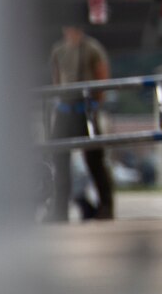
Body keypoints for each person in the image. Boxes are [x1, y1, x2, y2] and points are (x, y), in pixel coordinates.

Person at [46, 24, 115, 221]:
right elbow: (56, 77)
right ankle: (59, 209)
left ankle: (106, 207)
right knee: (59, 160)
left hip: (85, 108)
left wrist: (95, 102)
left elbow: (102, 75)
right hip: (65, 109)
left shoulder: (92, 48)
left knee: (95, 160)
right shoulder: (58, 50)